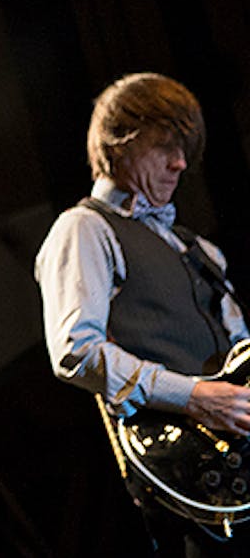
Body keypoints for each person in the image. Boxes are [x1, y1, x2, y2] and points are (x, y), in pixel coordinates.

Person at [35, 72, 250, 556]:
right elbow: (75, 351)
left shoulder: (201, 251)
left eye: (185, 148)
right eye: (164, 146)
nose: (180, 162)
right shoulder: (85, 229)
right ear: (119, 146)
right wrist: (193, 396)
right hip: (186, 473)